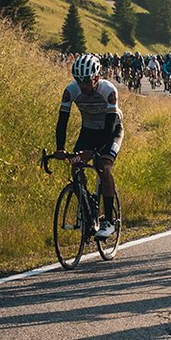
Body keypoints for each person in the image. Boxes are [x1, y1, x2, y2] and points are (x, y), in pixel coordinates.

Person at [55, 53, 124, 238]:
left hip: (112, 130)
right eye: (78, 81)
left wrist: (93, 152)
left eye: (86, 81)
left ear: (96, 77)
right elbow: (62, 121)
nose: (82, 85)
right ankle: (88, 208)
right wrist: (60, 148)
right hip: (88, 130)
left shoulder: (109, 91)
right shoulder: (71, 91)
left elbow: (109, 127)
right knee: (76, 166)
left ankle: (108, 221)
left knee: (103, 166)